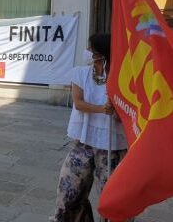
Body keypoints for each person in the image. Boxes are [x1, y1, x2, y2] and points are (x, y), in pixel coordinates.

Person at [51, 33, 127, 222]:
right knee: (69, 190)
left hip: (111, 147)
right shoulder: (80, 73)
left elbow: (125, 113)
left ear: (101, 53)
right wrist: (103, 109)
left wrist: (116, 110)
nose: (88, 52)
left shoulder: (120, 77)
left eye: (91, 49)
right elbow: (79, 103)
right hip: (83, 143)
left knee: (113, 197)